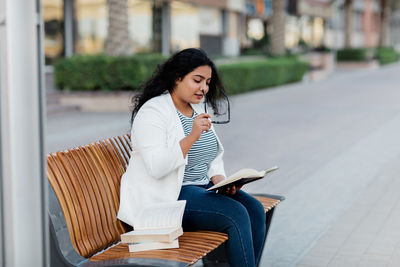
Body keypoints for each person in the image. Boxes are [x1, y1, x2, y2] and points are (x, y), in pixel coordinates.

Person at [117, 48, 266, 267]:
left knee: (254, 209)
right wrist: (192, 136)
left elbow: (212, 154)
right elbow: (157, 166)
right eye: (197, 80)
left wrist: (219, 179)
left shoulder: (195, 109)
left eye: (207, 82)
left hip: (201, 188)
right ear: (177, 77)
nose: (204, 88)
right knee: (236, 214)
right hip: (168, 196)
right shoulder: (153, 112)